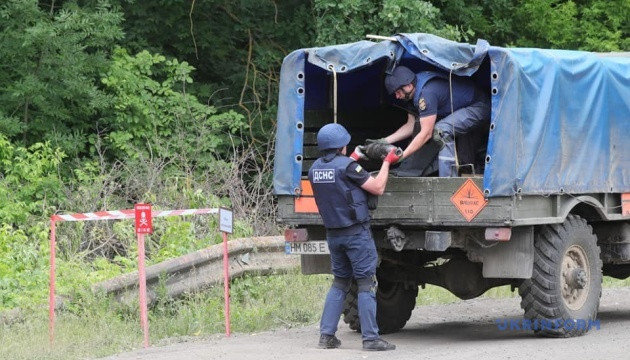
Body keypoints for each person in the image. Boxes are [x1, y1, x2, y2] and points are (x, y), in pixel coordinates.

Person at [308, 123, 399, 351]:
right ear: (342, 145)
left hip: (334, 235)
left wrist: (355, 158)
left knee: (339, 283)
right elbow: (377, 187)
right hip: (356, 234)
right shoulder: (349, 167)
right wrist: (387, 161)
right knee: (366, 284)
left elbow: (340, 179)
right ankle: (371, 339)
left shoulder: (314, 169)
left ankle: (326, 336)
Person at [373, 65, 490, 177]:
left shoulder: (426, 93)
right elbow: (411, 125)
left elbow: (426, 134)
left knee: (440, 131)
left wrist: (402, 156)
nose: (397, 96)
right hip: (463, 110)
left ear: (408, 86)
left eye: (398, 92)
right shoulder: (413, 91)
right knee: (465, 160)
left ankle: (447, 181)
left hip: (479, 106)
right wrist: (384, 141)